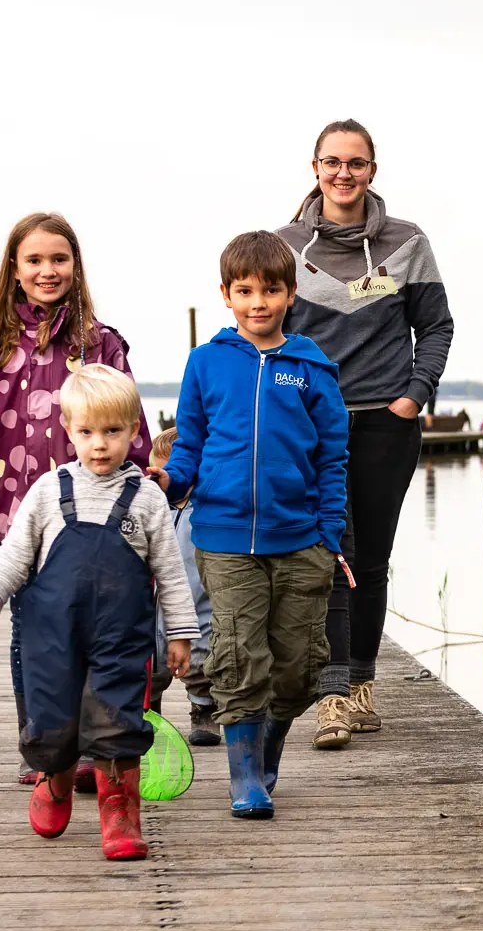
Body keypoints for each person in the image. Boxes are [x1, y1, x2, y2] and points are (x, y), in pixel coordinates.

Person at [0, 212, 145, 788]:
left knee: (96, 637)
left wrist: (149, 494)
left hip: (97, 520)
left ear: (76, 266)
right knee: (35, 639)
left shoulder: (101, 343)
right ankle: (42, 747)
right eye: (34, 260)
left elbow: (130, 430)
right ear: (14, 271)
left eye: (59, 259)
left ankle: (95, 749)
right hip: (21, 517)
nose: (47, 270)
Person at [0, 366, 196, 860]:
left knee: (117, 717)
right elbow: (14, 552)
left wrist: (180, 633)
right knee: (53, 717)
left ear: (134, 431)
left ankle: (120, 810)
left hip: (122, 635)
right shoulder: (49, 491)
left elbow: (171, 572)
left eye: (113, 432)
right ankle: (56, 779)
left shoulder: (148, 498)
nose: (100, 444)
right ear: (68, 430)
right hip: (53, 636)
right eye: (87, 432)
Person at [275, 120, 453, 748]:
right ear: (315, 168)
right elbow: (265, 330)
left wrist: (413, 397)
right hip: (309, 426)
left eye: (356, 163)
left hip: (385, 423)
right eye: (332, 162)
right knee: (328, 556)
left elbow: (436, 327)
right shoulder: (284, 246)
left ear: (373, 170)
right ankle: (329, 696)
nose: (343, 173)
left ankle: (361, 685)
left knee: (370, 559)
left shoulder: (408, 243)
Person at [164, 231, 348, 818]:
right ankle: (244, 778)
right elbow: (189, 444)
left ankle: (268, 753)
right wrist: (169, 482)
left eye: (270, 290)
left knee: (296, 669)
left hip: (300, 540)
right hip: (222, 536)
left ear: (290, 294)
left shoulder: (311, 369)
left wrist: (328, 537)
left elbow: (332, 459)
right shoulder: (207, 363)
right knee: (239, 656)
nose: (258, 302)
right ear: (226, 295)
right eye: (245, 291)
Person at [149, 425, 219, 747]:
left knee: (203, 662)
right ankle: (149, 709)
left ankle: (203, 708)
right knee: (150, 662)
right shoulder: (150, 512)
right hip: (155, 607)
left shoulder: (204, 513)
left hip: (199, 602)